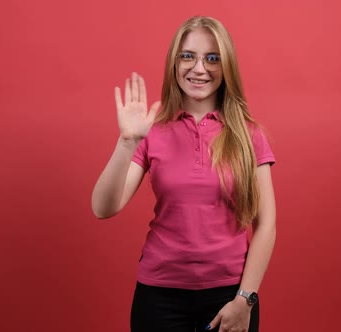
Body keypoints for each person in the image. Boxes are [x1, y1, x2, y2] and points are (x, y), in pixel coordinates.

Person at [92, 16, 276, 332]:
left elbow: (267, 223)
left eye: (212, 58)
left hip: (229, 295)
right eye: (188, 56)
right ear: (174, 63)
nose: (199, 68)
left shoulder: (250, 135)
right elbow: (103, 208)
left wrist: (245, 299)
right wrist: (127, 142)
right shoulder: (153, 131)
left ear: (227, 65)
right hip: (159, 295)